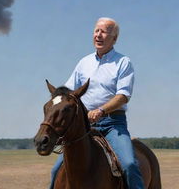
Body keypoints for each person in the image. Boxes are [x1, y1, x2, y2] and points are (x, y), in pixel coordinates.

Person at [49, 17, 144, 189]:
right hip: (83, 127)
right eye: (96, 31)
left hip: (113, 125)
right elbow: (69, 91)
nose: (98, 35)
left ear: (114, 38)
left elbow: (123, 95)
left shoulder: (123, 62)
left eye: (104, 31)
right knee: (56, 170)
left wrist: (101, 110)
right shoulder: (83, 63)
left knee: (129, 165)